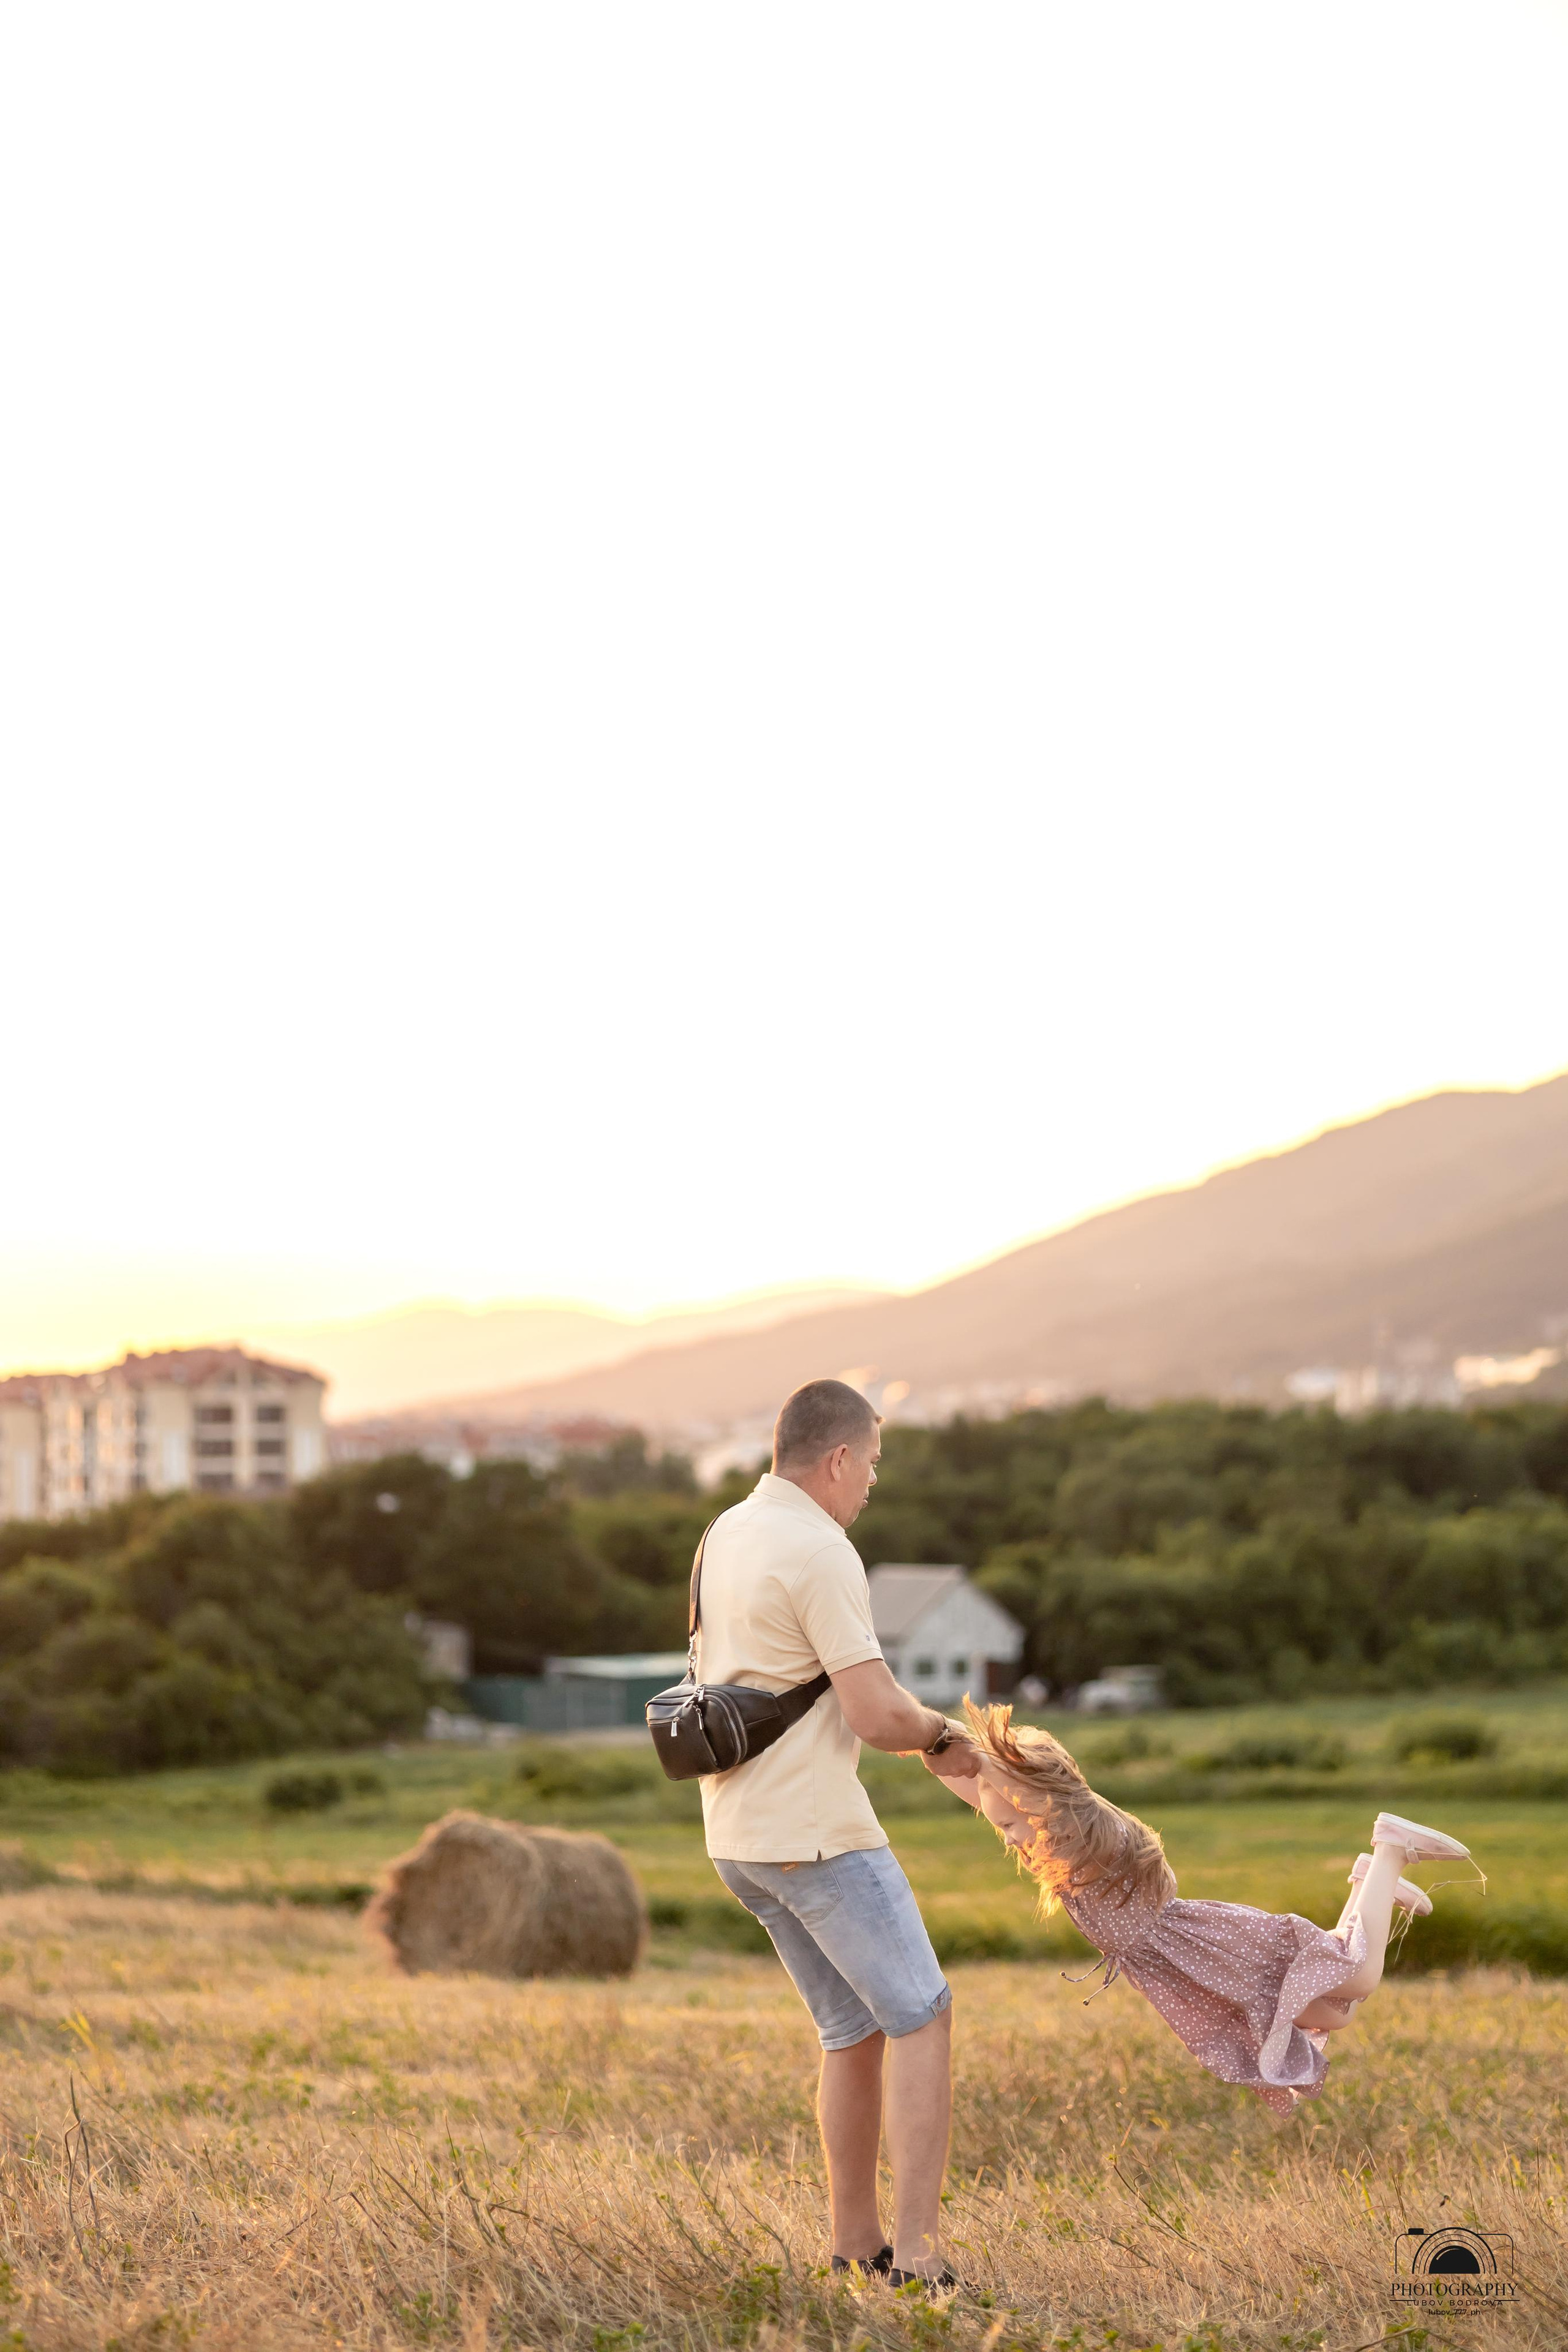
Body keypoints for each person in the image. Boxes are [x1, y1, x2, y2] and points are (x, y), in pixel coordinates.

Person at [701, 1379, 980, 2287]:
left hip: (738, 1835)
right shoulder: (822, 1549)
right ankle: (925, 2259)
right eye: (872, 1466)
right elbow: (875, 1714)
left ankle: (858, 2250)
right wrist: (945, 1736)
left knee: (851, 2029)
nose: (871, 1487)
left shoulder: (725, 1532)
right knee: (923, 2017)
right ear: (839, 1459)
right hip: (817, 1835)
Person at [928, 1700, 1474, 2114]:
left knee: (1356, 1980)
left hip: (1212, 1945)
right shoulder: (1050, 1846)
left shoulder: (1091, 1840)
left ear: (1042, 1805)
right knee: (1333, 2013)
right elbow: (974, 1783)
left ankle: (1391, 1848)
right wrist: (924, 1738)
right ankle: (1370, 1884)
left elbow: (1008, 1785)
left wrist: (987, 1760)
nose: (1007, 1838)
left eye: (1010, 1823)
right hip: (1189, 1967)